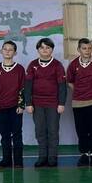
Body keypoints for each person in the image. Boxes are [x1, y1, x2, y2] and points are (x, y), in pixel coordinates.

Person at [25, 38, 67, 167]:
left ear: (52, 50)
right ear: (38, 50)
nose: (45, 50)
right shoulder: (32, 65)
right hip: (37, 103)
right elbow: (28, 85)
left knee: (53, 130)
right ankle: (42, 157)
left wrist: (61, 103)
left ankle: (52, 157)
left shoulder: (57, 65)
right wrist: (28, 103)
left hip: (53, 103)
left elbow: (62, 86)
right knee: (40, 130)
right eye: (42, 47)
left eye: (48, 48)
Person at [67, 38, 92, 167]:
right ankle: (84, 154)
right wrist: (79, 90)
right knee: (81, 129)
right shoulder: (73, 65)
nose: (87, 50)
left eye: (89, 48)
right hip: (78, 102)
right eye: (84, 48)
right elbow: (70, 82)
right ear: (79, 49)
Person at [0, 40, 25, 169]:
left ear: (15, 53)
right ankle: (6, 160)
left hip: (15, 107)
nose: (7, 51)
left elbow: (23, 88)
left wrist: (21, 105)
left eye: (11, 49)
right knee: (4, 135)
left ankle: (18, 161)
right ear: (1, 51)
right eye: (5, 49)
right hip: (1, 107)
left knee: (17, 134)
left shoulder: (20, 69)